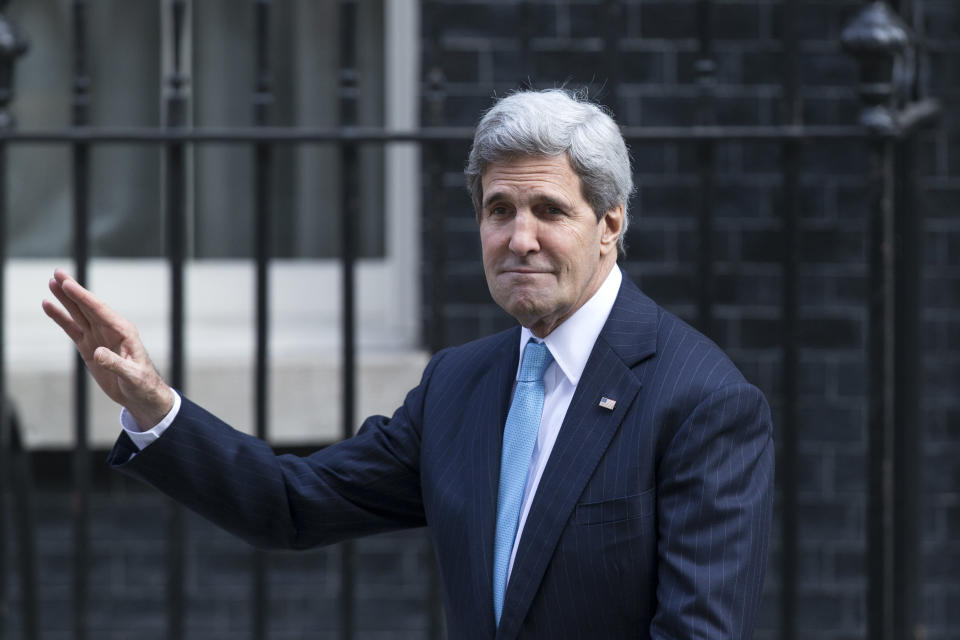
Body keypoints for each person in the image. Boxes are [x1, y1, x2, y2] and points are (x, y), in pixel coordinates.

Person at [43, 88, 774, 639]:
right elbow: (292, 504)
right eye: (498, 210)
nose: (519, 239)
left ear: (611, 223)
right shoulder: (461, 386)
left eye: (549, 211)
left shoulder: (701, 403)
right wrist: (154, 406)